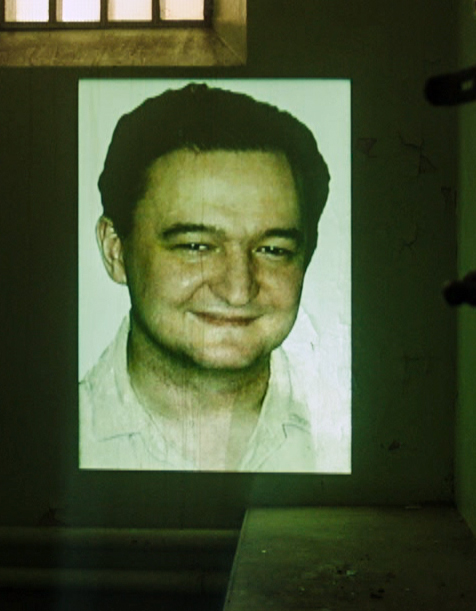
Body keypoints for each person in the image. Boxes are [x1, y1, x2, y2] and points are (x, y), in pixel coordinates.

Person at [80, 83, 332, 472]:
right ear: (116, 250)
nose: (238, 290)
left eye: (273, 250)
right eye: (196, 246)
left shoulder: (345, 436)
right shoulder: (44, 440)